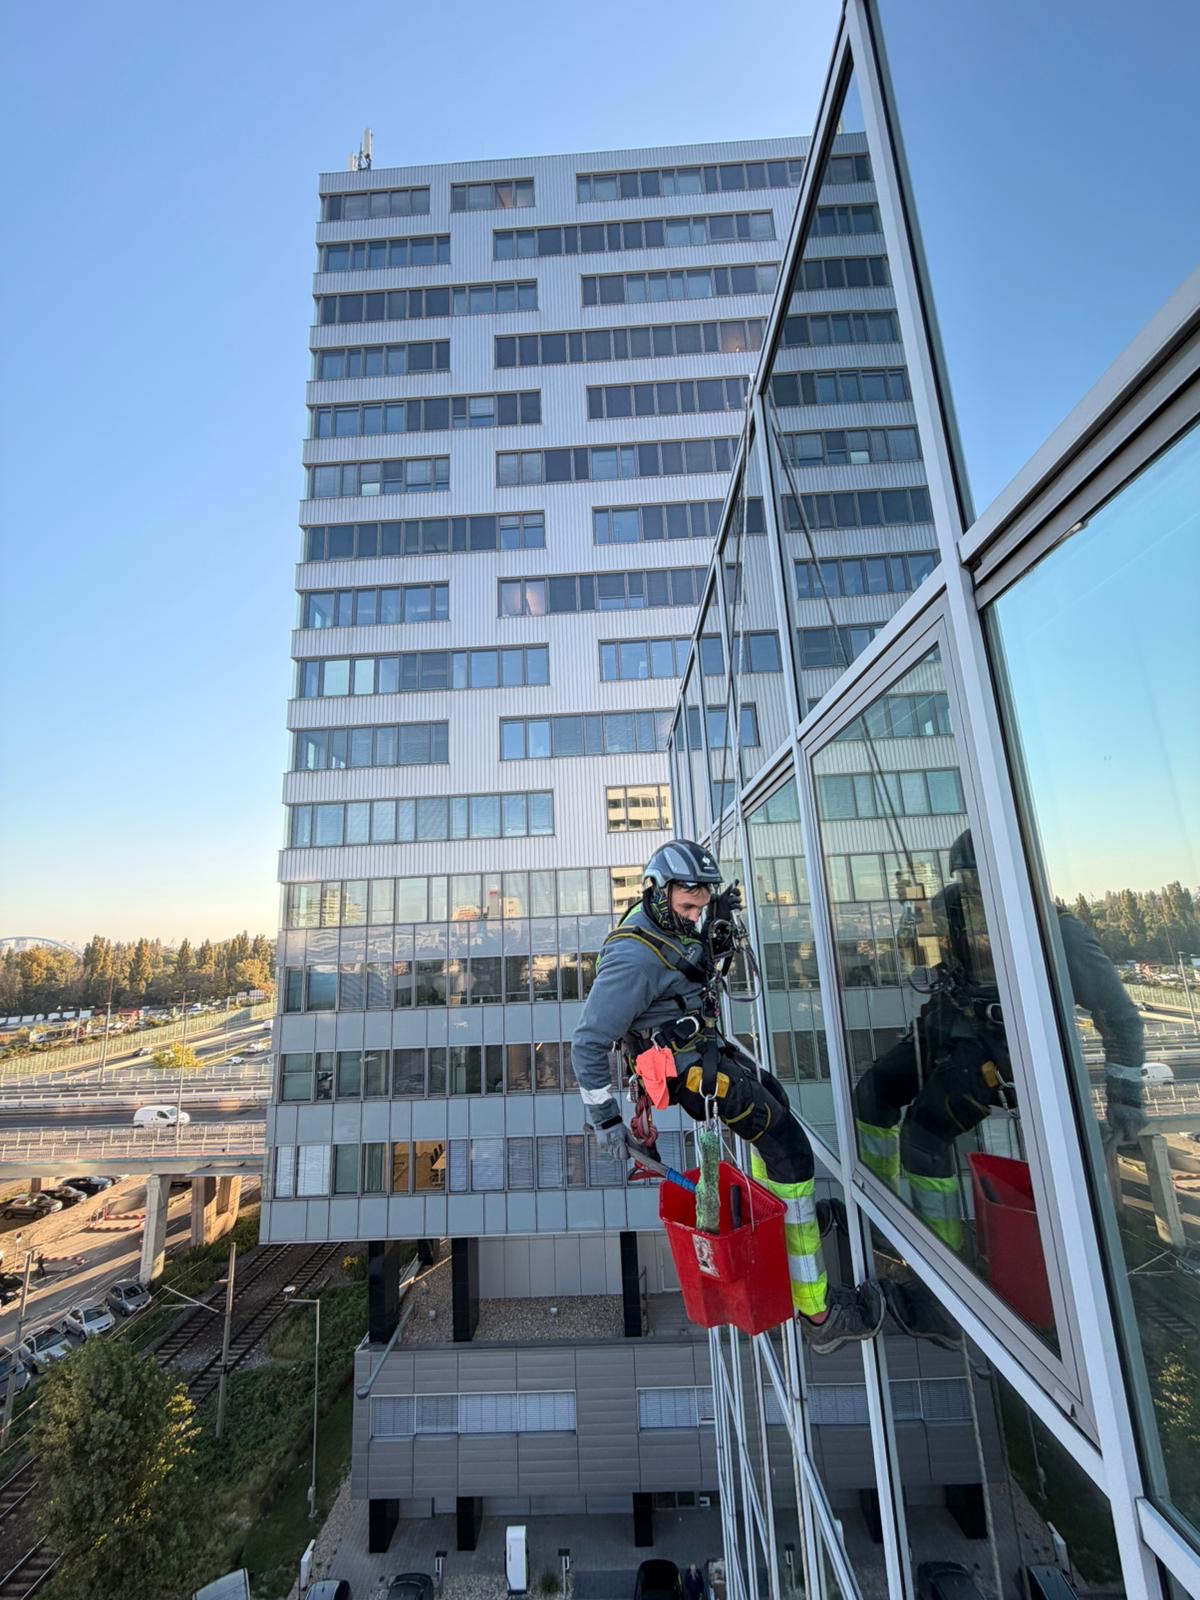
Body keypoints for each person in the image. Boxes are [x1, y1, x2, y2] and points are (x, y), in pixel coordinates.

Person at [572, 839, 883, 1353]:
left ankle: (777, 1220)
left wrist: (712, 925)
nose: (693, 917)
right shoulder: (632, 959)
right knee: (789, 1149)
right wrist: (605, 1118)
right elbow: (587, 1041)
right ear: (658, 893)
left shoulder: (662, 921)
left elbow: (684, 967)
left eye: (699, 907)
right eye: (687, 907)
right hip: (691, 1074)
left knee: (775, 1105)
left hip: (703, 1051)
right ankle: (819, 1314)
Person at [854, 829, 1144, 1256]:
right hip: (947, 1025)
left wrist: (1127, 1096)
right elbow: (920, 960)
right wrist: (915, 920)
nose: (972, 888)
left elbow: (1119, 1018)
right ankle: (881, 1209)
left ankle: (940, 1252)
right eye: (966, 877)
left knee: (925, 1132)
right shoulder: (952, 905)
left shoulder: (1055, 930)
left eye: (979, 877)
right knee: (872, 1092)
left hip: (1001, 1047)